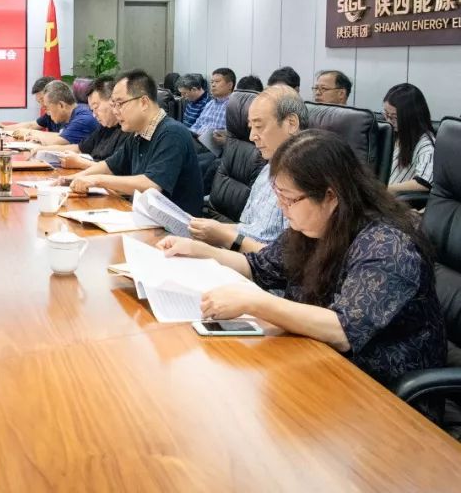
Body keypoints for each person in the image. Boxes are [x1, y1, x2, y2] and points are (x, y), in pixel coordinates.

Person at [158, 130, 445, 411]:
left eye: (289, 199)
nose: (282, 207)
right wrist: (200, 250)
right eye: (278, 196)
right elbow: (260, 267)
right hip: (319, 361)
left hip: (381, 395)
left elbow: (342, 330)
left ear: (331, 196)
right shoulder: (315, 226)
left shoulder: (387, 246)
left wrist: (255, 302)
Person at [60, 69, 204, 215]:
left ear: (143, 102)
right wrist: (69, 179)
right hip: (142, 215)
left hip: (171, 224)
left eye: (120, 103)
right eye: (113, 104)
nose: (115, 111)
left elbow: (151, 185)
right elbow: (109, 165)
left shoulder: (172, 133)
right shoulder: (138, 133)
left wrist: (96, 180)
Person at [188, 85, 306, 251]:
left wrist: (224, 238)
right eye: (251, 128)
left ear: (291, 123)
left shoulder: (308, 177)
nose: (251, 137)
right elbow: (249, 228)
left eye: (259, 126)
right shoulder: (270, 166)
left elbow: (283, 257)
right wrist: (210, 228)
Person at [30, 76, 130, 169]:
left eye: (96, 107)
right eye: (92, 109)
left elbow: (114, 171)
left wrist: (81, 163)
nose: (94, 115)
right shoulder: (104, 127)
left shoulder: (129, 131)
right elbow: (79, 148)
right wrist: (44, 150)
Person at [383, 83, 435, 193]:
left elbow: (424, 182)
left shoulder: (426, 145)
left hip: (393, 199)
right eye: (386, 114)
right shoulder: (391, 133)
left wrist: (383, 190)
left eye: (394, 117)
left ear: (410, 117)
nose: (388, 121)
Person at [18, 80, 98, 145]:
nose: (47, 113)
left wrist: (30, 133)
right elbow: (60, 135)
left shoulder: (83, 119)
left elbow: (58, 141)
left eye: (48, 108)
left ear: (61, 105)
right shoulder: (70, 115)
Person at [189, 67, 236, 139]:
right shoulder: (210, 104)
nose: (213, 85)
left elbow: (232, 136)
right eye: (212, 82)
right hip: (196, 140)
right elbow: (197, 124)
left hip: (213, 144)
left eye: (217, 81)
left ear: (230, 85)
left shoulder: (234, 106)